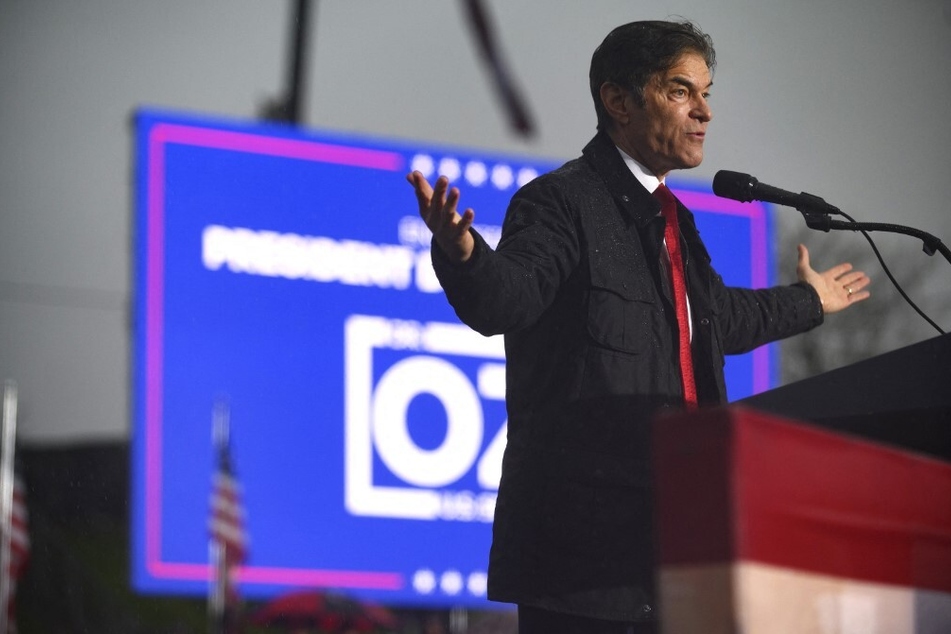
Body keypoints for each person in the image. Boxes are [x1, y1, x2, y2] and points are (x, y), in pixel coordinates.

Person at [407, 19, 870, 634]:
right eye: (681, 91)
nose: (704, 111)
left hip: (676, 553)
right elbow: (505, 300)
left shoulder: (676, 222)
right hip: (583, 565)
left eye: (707, 94)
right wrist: (463, 252)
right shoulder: (560, 202)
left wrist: (809, 301)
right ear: (618, 100)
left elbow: (716, 320)